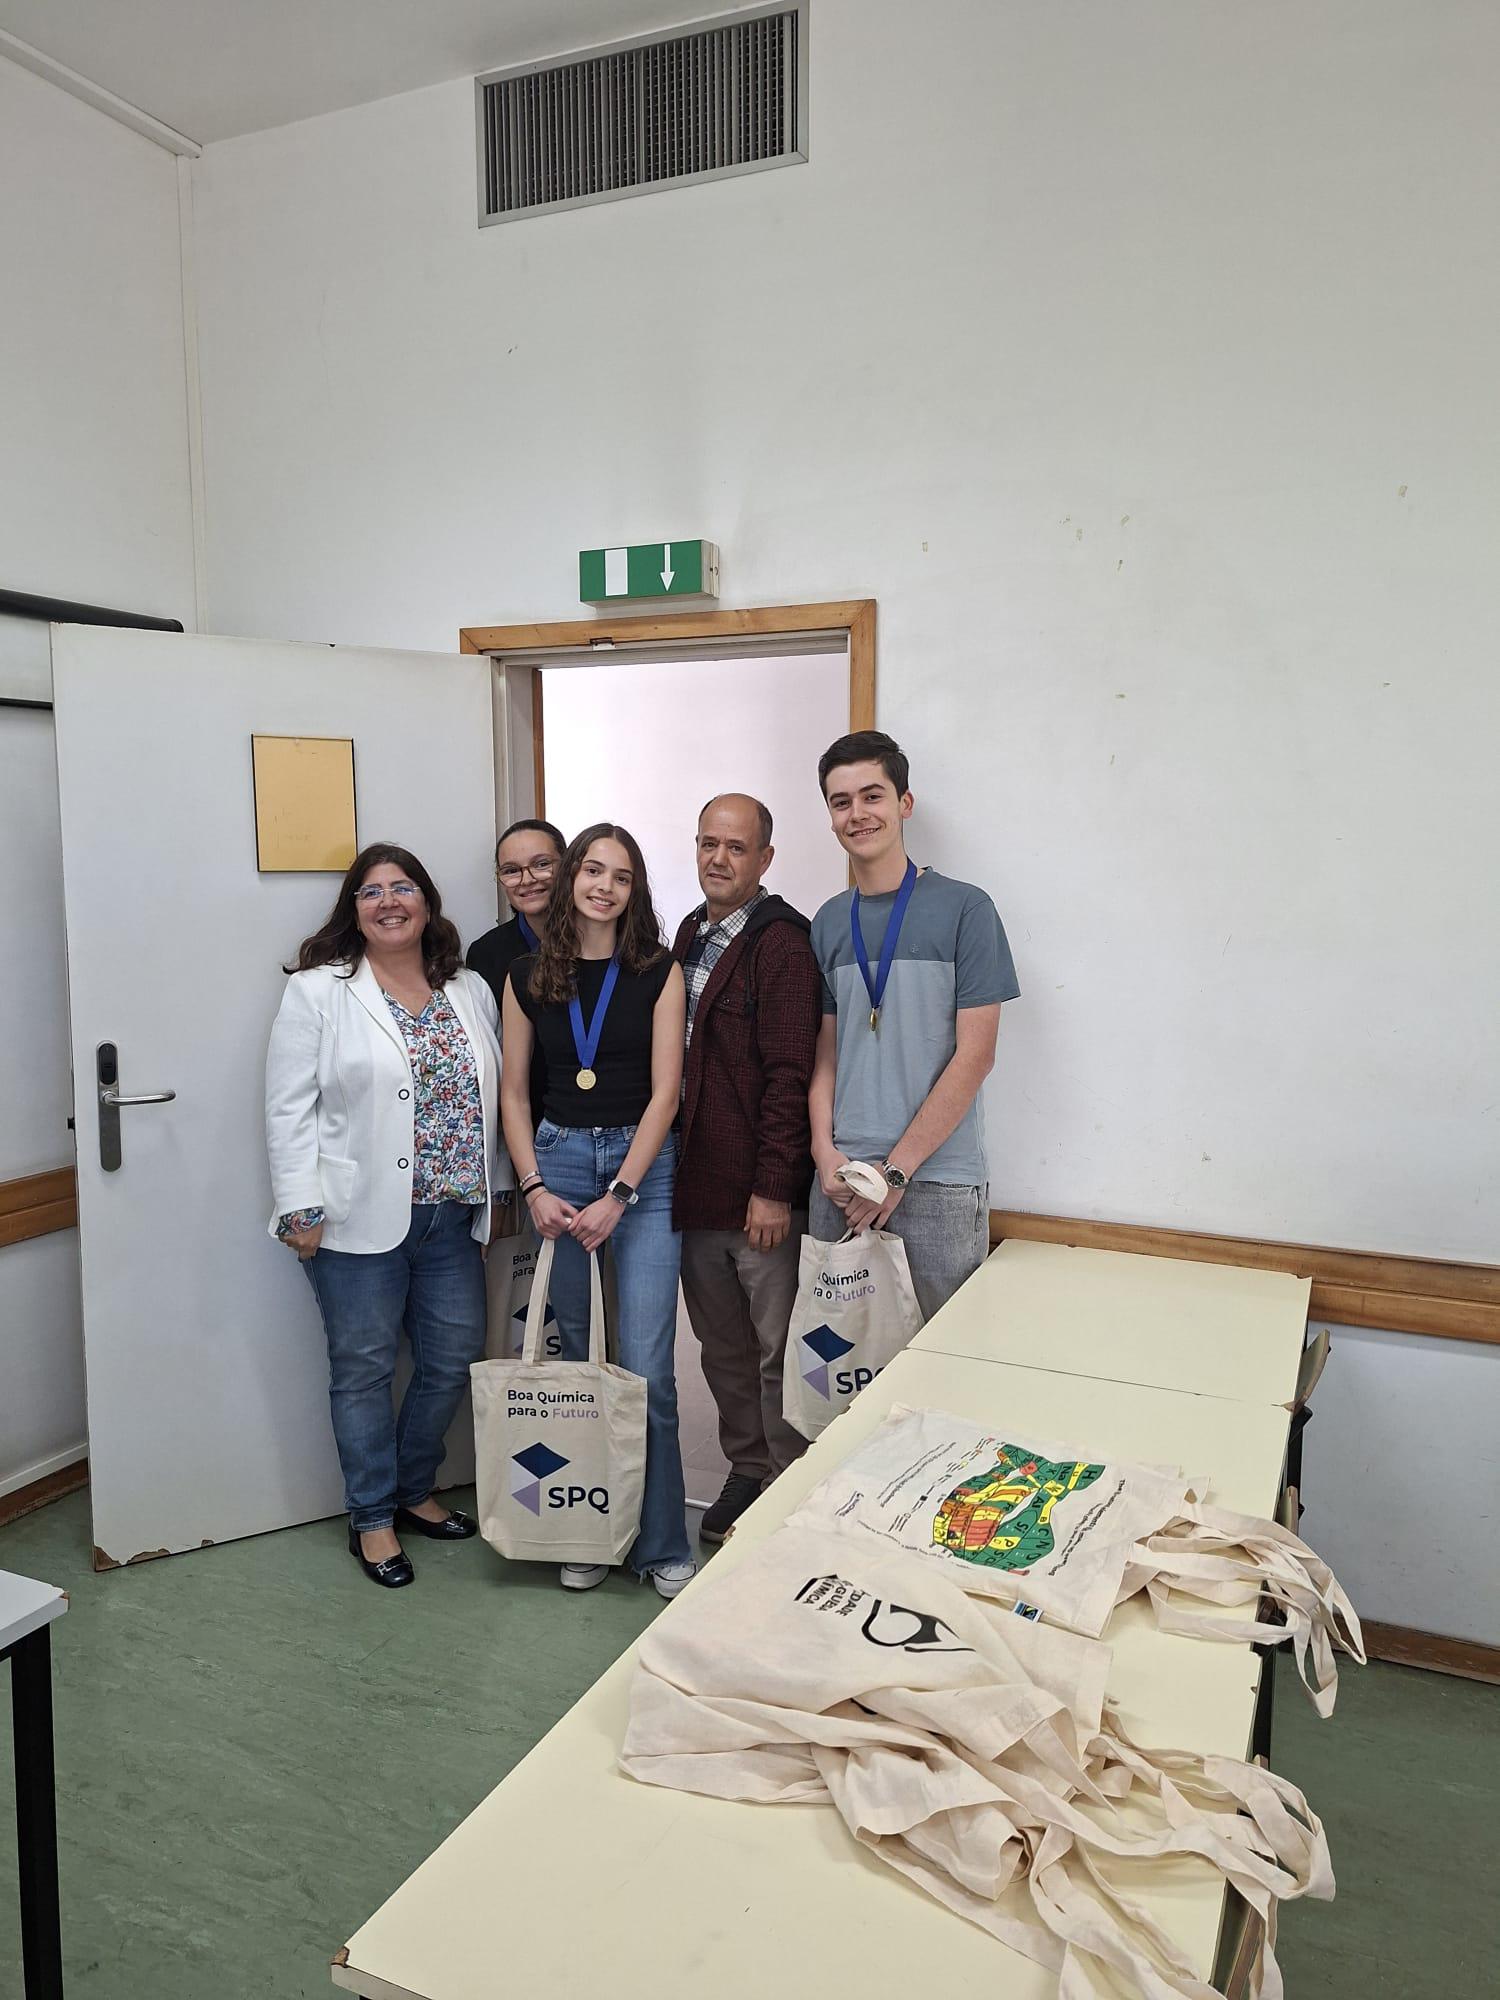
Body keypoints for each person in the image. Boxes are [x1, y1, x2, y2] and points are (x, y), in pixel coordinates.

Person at [266, 843, 511, 1588]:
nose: (389, 901)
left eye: (403, 887)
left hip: (452, 1215)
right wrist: (298, 1207)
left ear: (427, 903)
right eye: (371, 892)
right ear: (355, 911)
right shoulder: (320, 991)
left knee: (448, 1363)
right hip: (351, 1219)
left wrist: (504, 1190)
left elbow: (494, 1095)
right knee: (364, 1370)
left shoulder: (467, 988)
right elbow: (288, 1106)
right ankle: (372, 1517)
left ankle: (413, 1488)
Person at [500, 823, 695, 1599]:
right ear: (571, 878)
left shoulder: (659, 970)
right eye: (591, 869)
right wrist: (535, 1186)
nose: (602, 886)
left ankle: (660, 1542)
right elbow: (514, 1092)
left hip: (640, 1173)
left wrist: (620, 1193)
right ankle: (590, 1533)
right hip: (557, 1164)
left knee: (647, 1370)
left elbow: (666, 1095)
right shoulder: (524, 975)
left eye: (620, 875)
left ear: (634, 889)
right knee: (582, 1364)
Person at [809, 731, 1019, 1323]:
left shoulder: (965, 909)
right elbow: (825, 1058)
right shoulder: (828, 922)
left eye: (872, 795)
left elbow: (975, 1056)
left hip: (935, 1185)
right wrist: (824, 1154)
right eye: (840, 801)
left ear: (904, 803)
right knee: (837, 1375)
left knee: (941, 1370)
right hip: (841, 1184)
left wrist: (897, 1170)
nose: (857, 814)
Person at [672, 794, 821, 1545]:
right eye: (707, 843)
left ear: (765, 859)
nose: (717, 859)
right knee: (722, 1349)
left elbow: (790, 1075)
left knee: (775, 1353)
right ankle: (748, 1467)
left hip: (758, 1201)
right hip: (695, 1193)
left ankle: (790, 1486)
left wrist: (772, 1188)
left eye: (735, 847)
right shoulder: (690, 933)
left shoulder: (782, 945)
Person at [467, 817, 568, 1130]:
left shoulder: (602, 942)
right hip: (521, 1122)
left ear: (568, 867)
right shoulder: (486, 954)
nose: (527, 880)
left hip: (596, 1120)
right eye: (511, 871)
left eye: (541, 864)